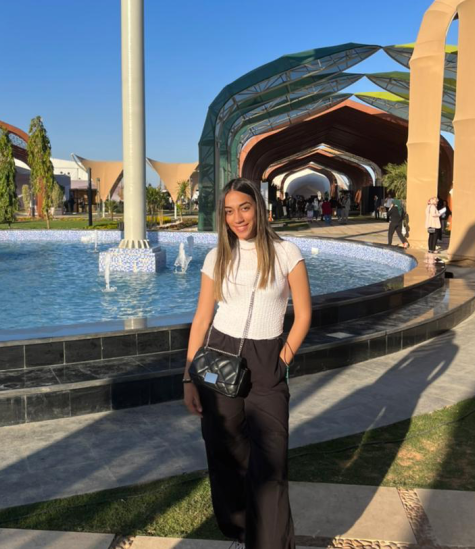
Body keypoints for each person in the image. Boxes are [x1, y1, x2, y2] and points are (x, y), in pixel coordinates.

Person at [183, 178, 312, 549]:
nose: (237, 218)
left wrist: (281, 359)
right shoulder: (217, 257)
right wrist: (188, 378)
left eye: (244, 207)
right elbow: (202, 318)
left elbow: (303, 314)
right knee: (223, 450)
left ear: (259, 207)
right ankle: (240, 529)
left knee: (271, 460)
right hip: (218, 356)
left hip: (267, 357)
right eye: (228, 211)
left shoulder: (287, 252)